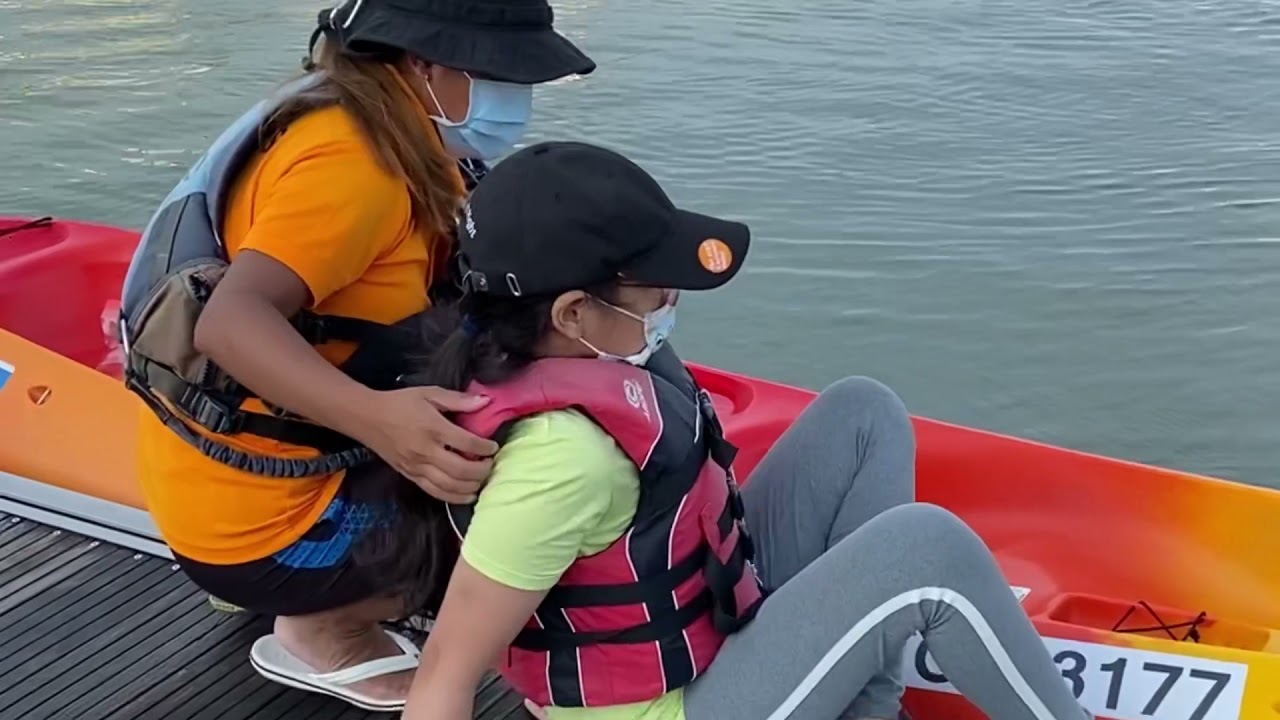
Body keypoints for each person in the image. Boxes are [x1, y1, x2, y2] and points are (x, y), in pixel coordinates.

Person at [374, 141, 1095, 720]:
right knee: (926, 550)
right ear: (569, 314)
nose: (671, 299)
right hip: (668, 705)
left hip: (708, 631)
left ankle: (863, 708)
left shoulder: (595, 352)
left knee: (861, 414)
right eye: (654, 288)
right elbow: (446, 674)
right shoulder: (564, 461)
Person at [116, 0, 594, 711]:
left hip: (226, 488)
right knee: (564, 501)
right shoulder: (354, 166)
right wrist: (381, 423)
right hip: (269, 537)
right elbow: (230, 323)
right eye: (499, 72)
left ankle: (322, 593)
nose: (514, 95)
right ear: (423, 63)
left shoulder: (362, 116)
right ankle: (326, 628)